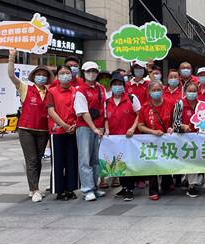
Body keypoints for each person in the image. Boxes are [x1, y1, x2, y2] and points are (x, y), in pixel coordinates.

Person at [7, 49, 53, 203]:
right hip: (26, 130)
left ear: (47, 78)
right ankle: (35, 189)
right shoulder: (25, 88)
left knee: (38, 160)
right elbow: (11, 76)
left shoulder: (50, 92)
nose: (41, 77)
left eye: (44, 75)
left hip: (43, 131)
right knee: (32, 159)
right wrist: (11, 57)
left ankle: (33, 188)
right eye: (39, 74)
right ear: (34, 76)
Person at [105, 71, 141, 201]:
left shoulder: (131, 98)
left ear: (124, 85)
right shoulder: (107, 102)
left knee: (129, 163)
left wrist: (132, 128)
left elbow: (139, 115)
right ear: (111, 86)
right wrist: (107, 129)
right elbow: (105, 118)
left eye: (119, 84)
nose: (117, 86)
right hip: (114, 139)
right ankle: (124, 187)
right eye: (114, 84)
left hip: (129, 138)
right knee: (118, 163)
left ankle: (130, 189)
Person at [74, 61, 107, 201]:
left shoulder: (101, 88)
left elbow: (104, 108)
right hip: (85, 128)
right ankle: (87, 189)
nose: (91, 74)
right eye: (88, 71)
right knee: (85, 159)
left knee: (96, 159)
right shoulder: (80, 90)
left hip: (99, 128)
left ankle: (94, 187)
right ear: (83, 73)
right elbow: (83, 112)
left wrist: (103, 127)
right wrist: (94, 128)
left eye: (94, 71)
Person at [138, 80, 174, 199]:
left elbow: (175, 121)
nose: (156, 92)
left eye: (158, 90)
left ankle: (166, 184)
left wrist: (172, 128)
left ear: (162, 91)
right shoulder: (145, 107)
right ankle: (153, 190)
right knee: (153, 164)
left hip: (166, 140)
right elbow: (140, 126)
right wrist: (153, 132)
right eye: (154, 90)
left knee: (166, 161)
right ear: (149, 92)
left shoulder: (170, 103)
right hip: (151, 141)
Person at [47, 65, 79, 200]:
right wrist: (64, 125)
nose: (65, 75)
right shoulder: (52, 91)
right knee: (58, 161)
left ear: (71, 75)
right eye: (62, 73)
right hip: (57, 131)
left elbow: (80, 109)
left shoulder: (76, 91)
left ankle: (71, 189)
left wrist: (75, 125)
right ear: (57, 76)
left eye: (67, 73)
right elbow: (50, 110)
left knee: (72, 160)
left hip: (74, 130)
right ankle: (60, 190)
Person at [173, 82, 203, 197]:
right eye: (189, 91)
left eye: (194, 91)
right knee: (191, 160)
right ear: (185, 92)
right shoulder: (180, 104)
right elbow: (175, 123)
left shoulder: (201, 105)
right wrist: (182, 126)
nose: (192, 93)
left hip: (198, 138)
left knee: (195, 161)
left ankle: (189, 181)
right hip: (183, 138)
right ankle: (191, 187)